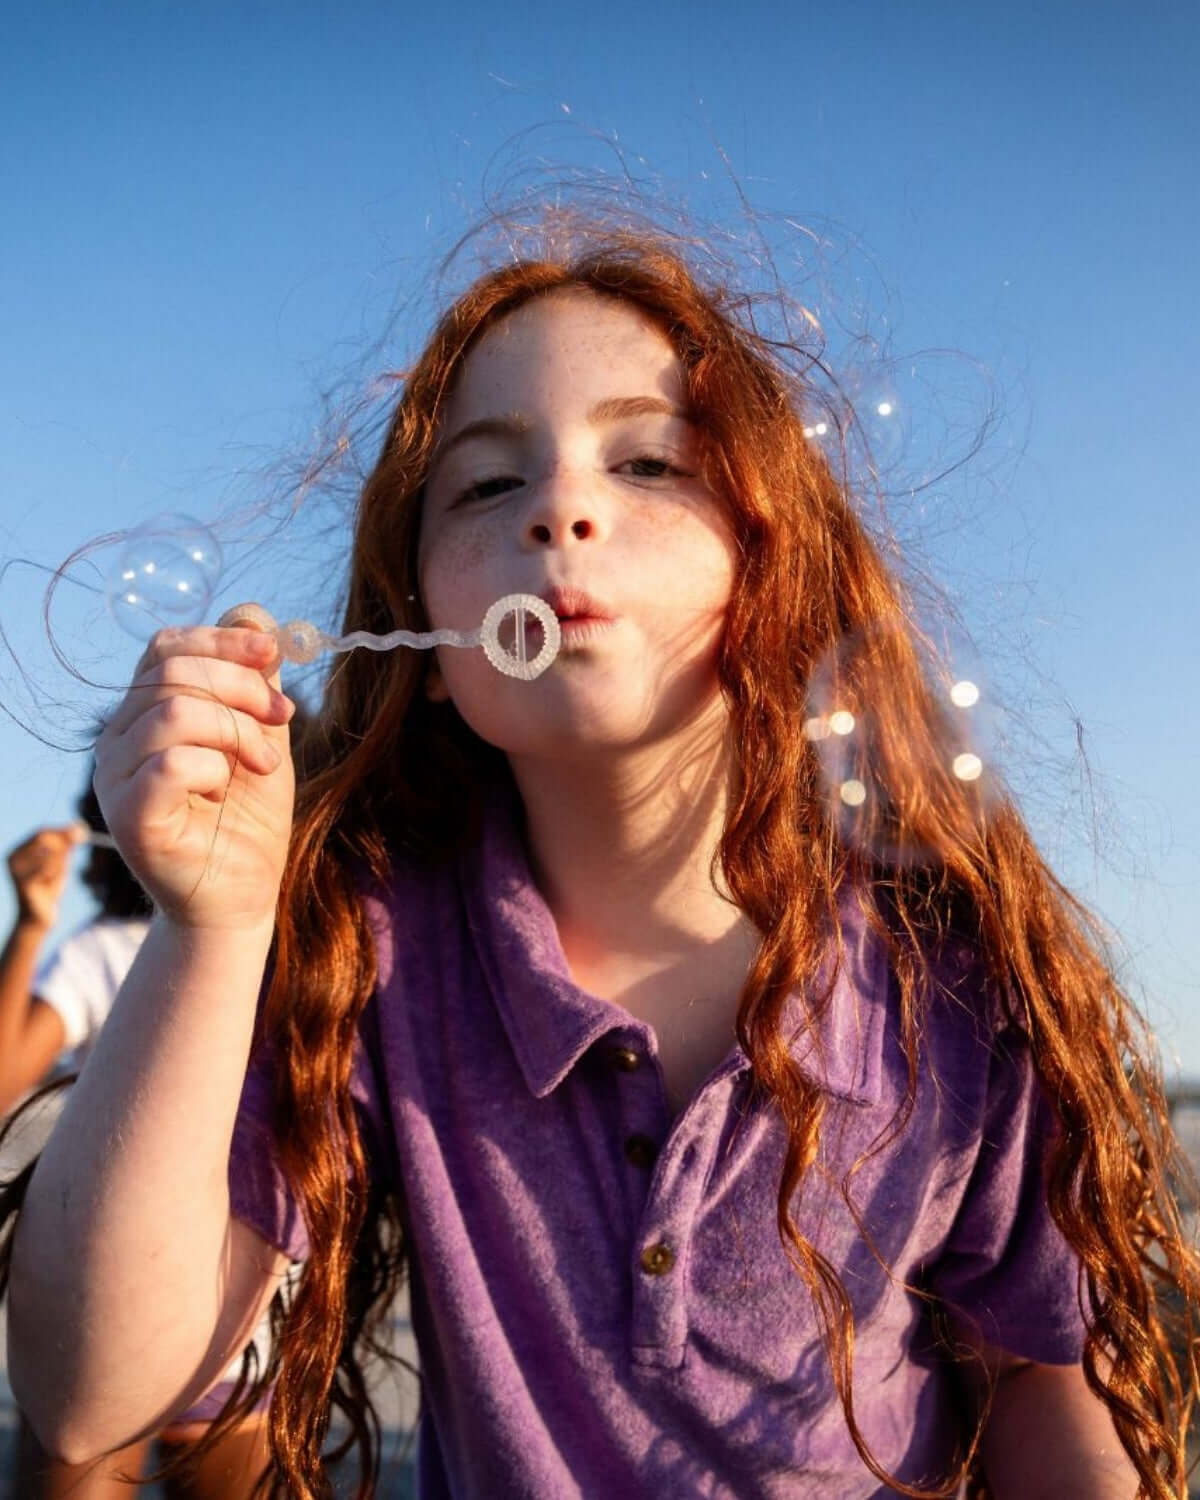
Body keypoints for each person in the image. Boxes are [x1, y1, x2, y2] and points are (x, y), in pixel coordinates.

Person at [3, 218, 1197, 1500]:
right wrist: (217, 926)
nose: (562, 509)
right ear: (427, 643)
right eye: (484, 485)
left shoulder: (941, 966)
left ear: (774, 568)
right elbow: (86, 1398)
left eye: (646, 461)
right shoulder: (378, 949)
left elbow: (1034, 1370)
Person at [0, 782, 279, 1498]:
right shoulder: (105, 953)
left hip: (242, 1328)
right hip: (92, 1316)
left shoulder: (304, 960)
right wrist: (31, 925)